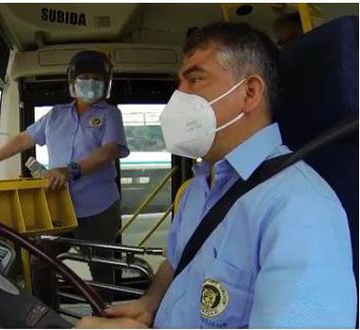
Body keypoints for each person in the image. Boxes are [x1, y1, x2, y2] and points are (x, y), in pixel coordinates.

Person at [77, 21, 356, 328]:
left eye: (195, 79)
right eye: (179, 83)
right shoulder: (198, 187)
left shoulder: (300, 208)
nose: (178, 97)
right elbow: (176, 262)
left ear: (249, 93)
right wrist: (149, 304)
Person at [0, 50, 129, 308]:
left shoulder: (111, 114)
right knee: (40, 262)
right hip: (58, 207)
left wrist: (71, 170)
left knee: (100, 267)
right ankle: (49, 317)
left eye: (96, 78)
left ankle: (104, 318)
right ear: (72, 82)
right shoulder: (55, 115)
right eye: (84, 77)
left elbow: (110, 150)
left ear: (106, 84)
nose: (90, 83)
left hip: (99, 208)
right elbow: (23, 139)